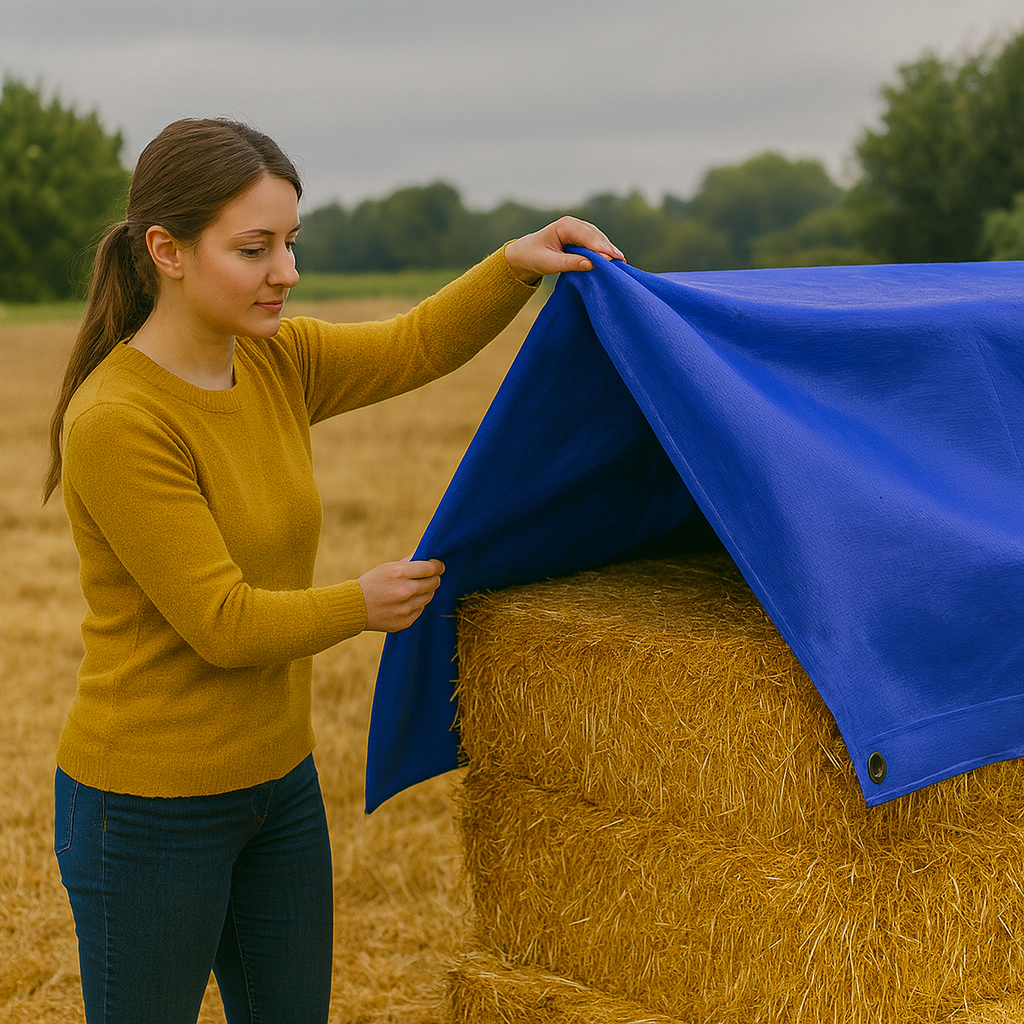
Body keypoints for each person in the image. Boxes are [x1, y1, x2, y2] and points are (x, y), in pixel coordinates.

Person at [43, 117, 623, 1024]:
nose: (287, 271)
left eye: (291, 243)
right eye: (255, 248)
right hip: (146, 813)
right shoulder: (118, 421)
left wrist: (514, 264)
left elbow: (414, 346)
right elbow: (223, 624)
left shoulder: (277, 361)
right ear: (167, 251)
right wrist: (362, 603)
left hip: (278, 790)